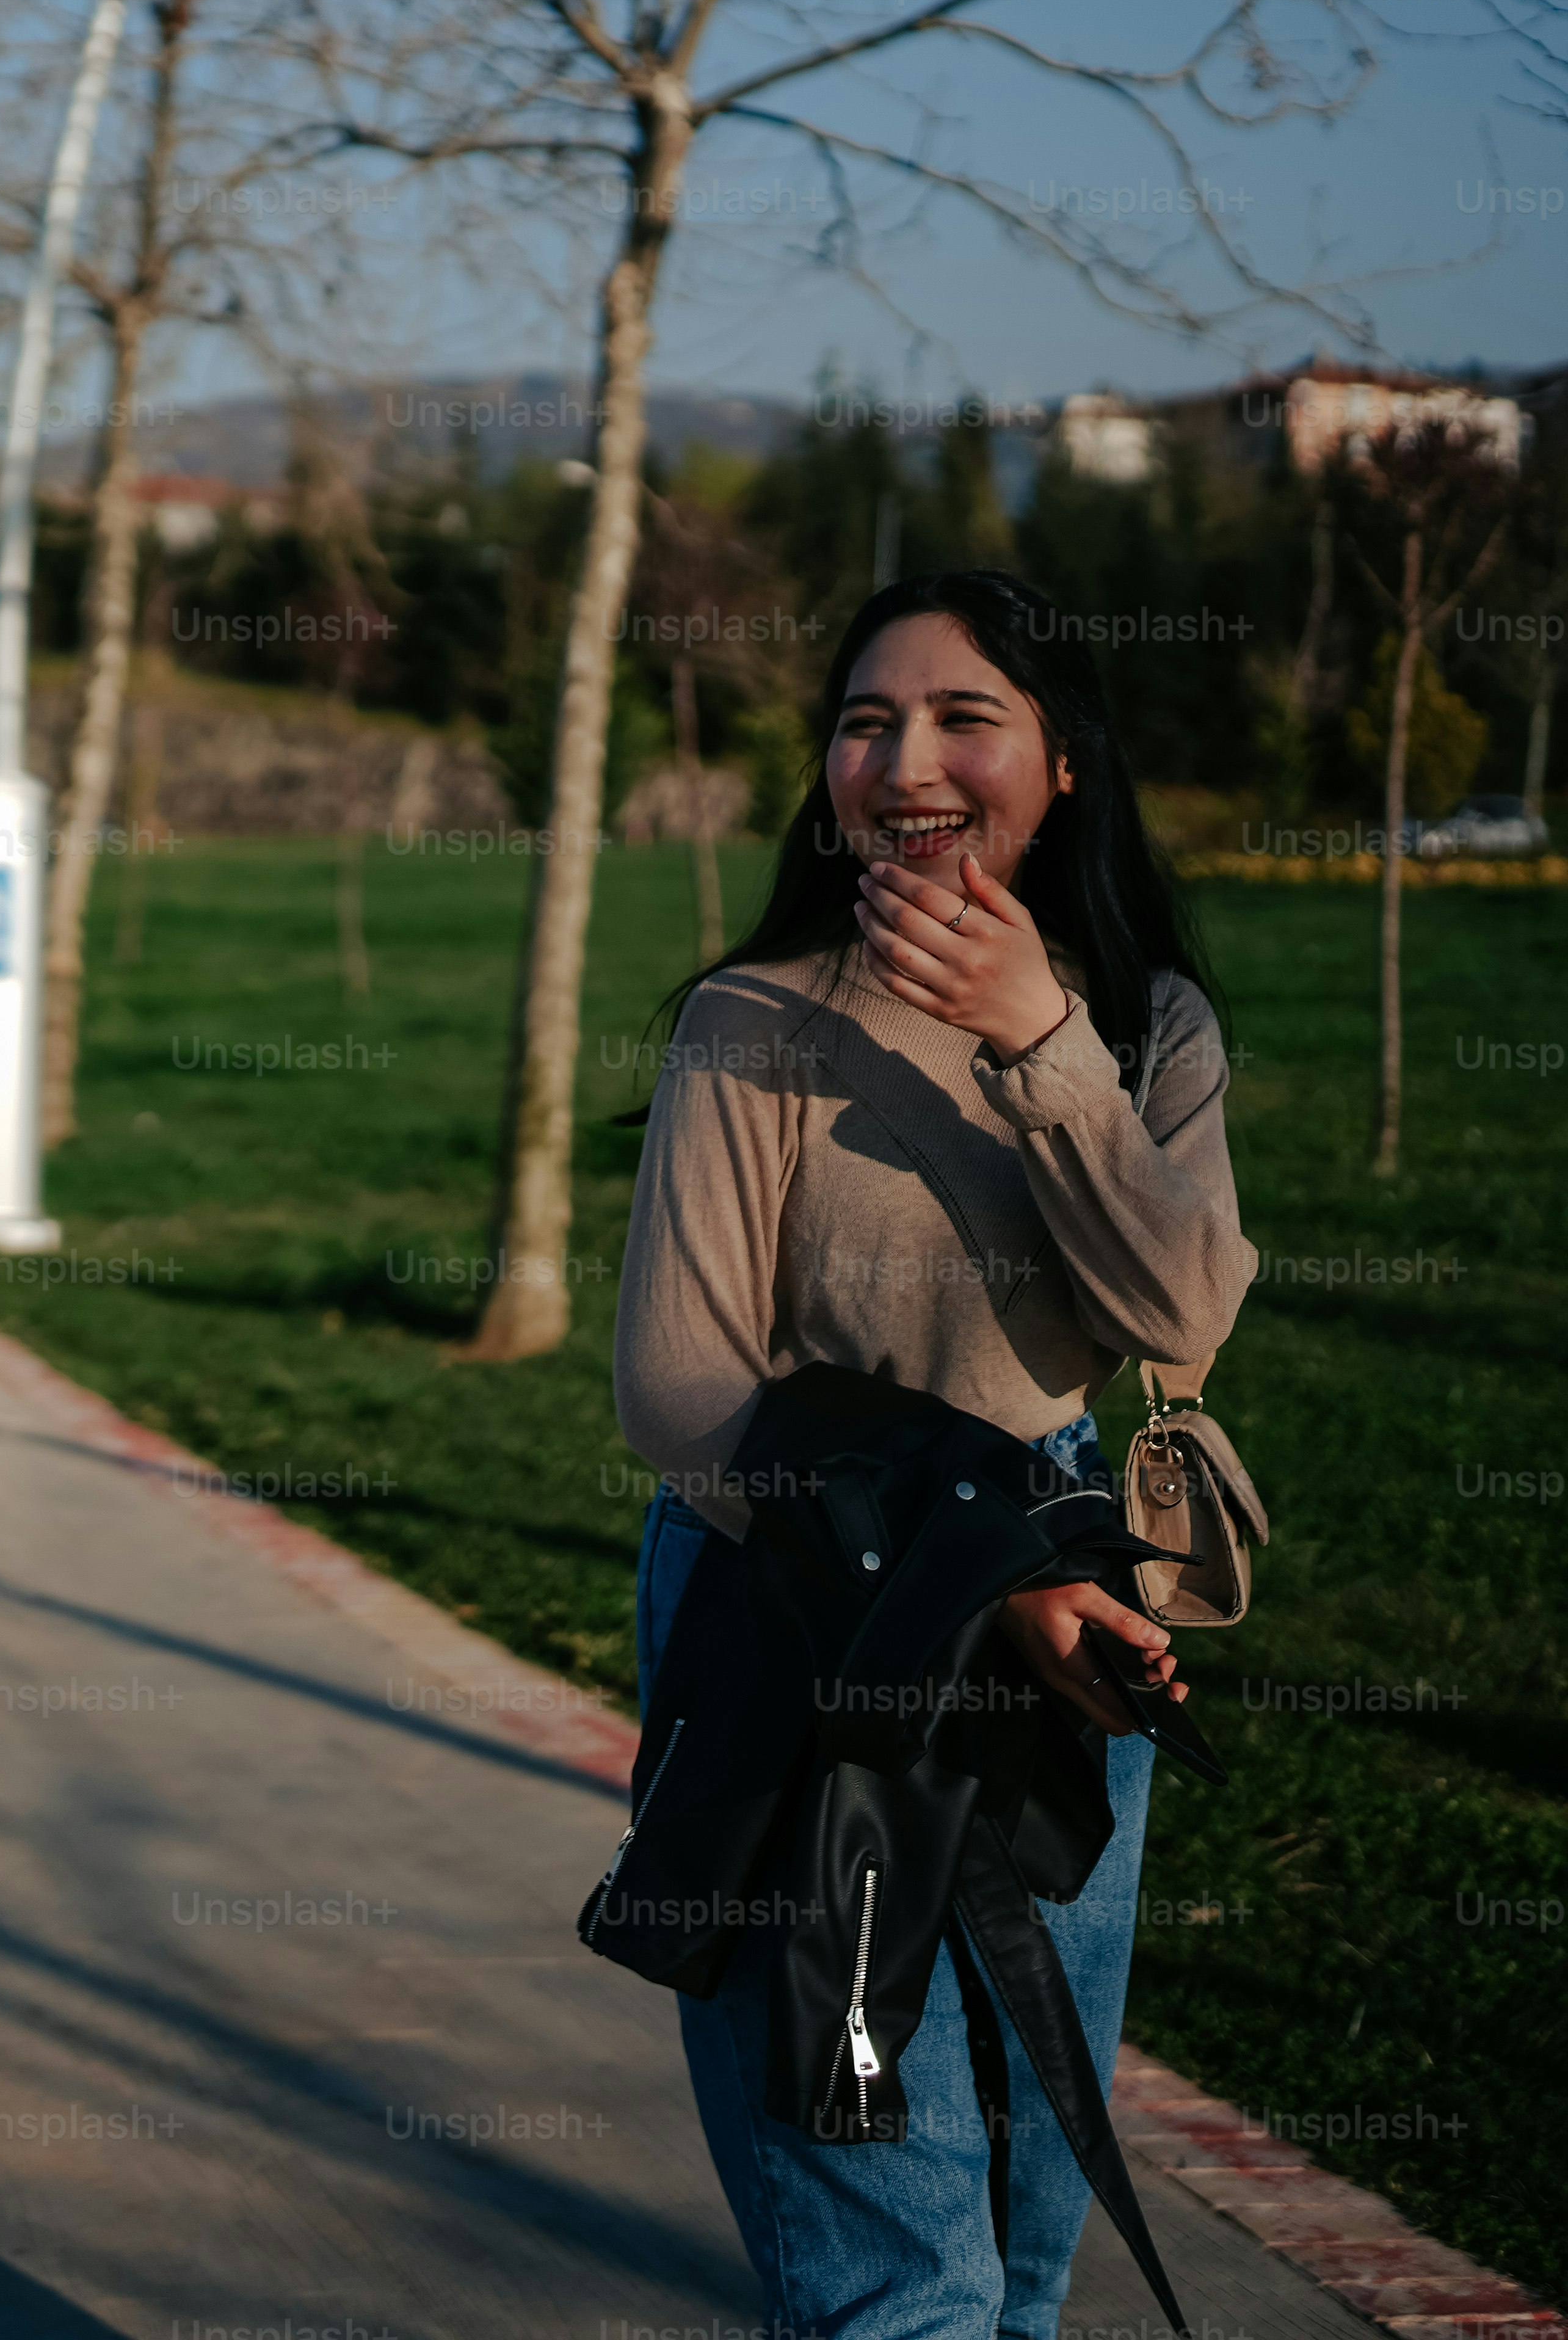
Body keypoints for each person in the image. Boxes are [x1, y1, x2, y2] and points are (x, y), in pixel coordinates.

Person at [614, 569, 1256, 2340]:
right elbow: (681, 1401)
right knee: (891, 2220)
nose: (905, 759)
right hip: (795, 1605)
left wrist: (1042, 1042)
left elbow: (1181, 1312)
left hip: (1066, 1596)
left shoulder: (1148, 1032)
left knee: (1031, 2199)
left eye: (966, 717)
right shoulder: (752, 1022)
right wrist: (988, 1580)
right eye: (864, 719)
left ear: (1064, 767)